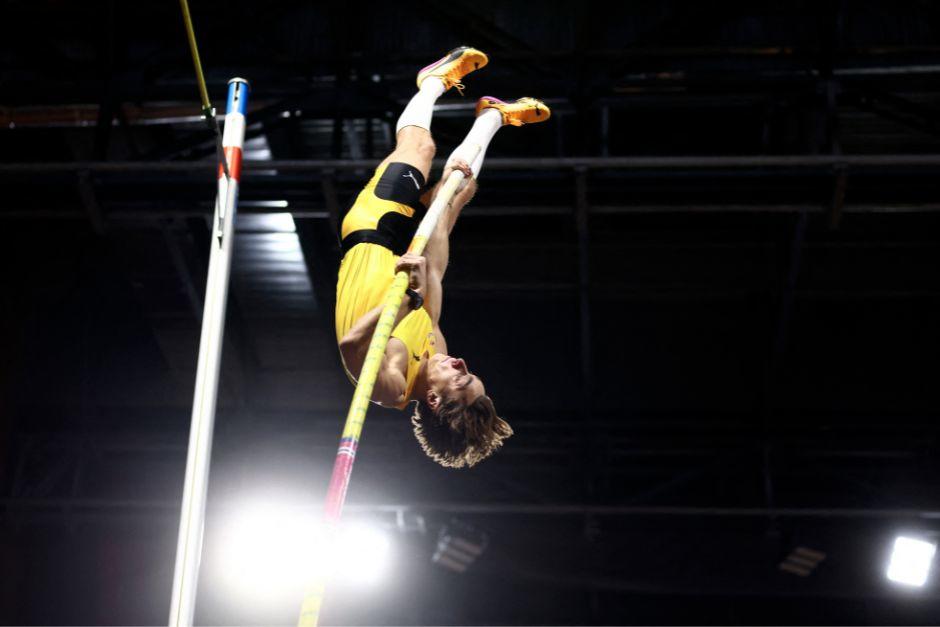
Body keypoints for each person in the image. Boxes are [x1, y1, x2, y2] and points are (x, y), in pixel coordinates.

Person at [334, 47, 550, 468]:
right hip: (410, 252)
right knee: (458, 190)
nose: (462, 362)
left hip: (372, 236)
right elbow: (432, 285)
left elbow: (352, 344)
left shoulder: (391, 387)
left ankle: (432, 81)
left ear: (433, 400)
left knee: (420, 146)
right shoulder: (438, 349)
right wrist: (445, 210)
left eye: (461, 377)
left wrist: (408, 299)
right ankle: (492, 116)